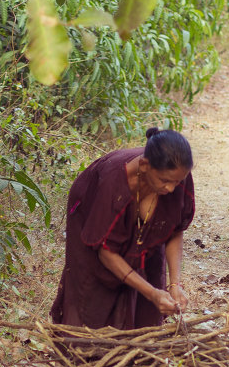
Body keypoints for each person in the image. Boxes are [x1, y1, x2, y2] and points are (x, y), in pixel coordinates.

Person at [50, 127, 195, 329]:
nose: (171, 189)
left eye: (177, 181)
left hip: (138, 207)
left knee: (150, 265)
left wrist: (175, 285)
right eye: (165, 181)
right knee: (93, 287)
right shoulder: (112, 184)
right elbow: (106, 253)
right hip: (90, 209)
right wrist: (152, 293)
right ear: (144, 166)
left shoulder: (175, 175)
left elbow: (174, 229)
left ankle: (141, 344)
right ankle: (89, 348)